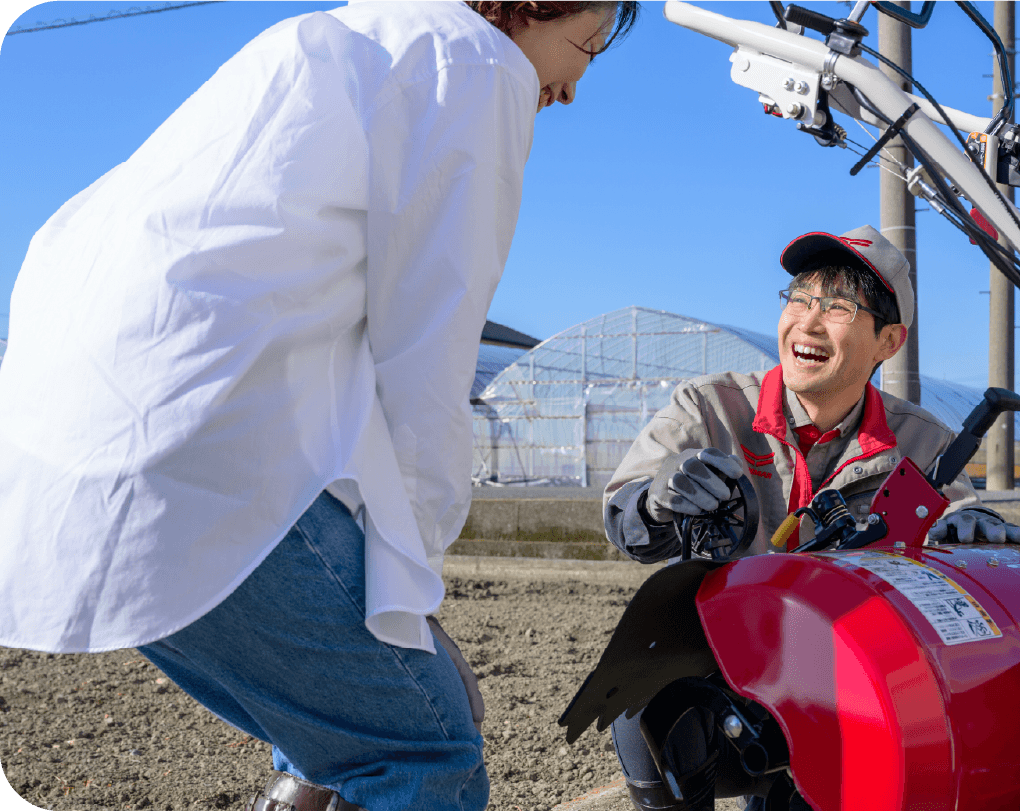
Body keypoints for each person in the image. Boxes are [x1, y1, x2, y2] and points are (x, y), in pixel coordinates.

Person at [0, 2, 635, 810]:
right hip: (192, 453)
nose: (573, 87)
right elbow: (426, 366)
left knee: (329, 738)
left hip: (62, 450)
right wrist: (413, 597)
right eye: (589, 46)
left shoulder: (333, 39)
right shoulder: (477, 65)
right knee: (423, 746)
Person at [600, 225, 1020, 810]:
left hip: (852, 678)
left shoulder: (920, 443)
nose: (807, 322)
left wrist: (968, 537)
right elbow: (624, 518)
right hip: (727, 664)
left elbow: (957, 513)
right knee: (643, 701)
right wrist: (655, 500)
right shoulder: (710, 408)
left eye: (838, 308)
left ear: (889, 341)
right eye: (800, 299)